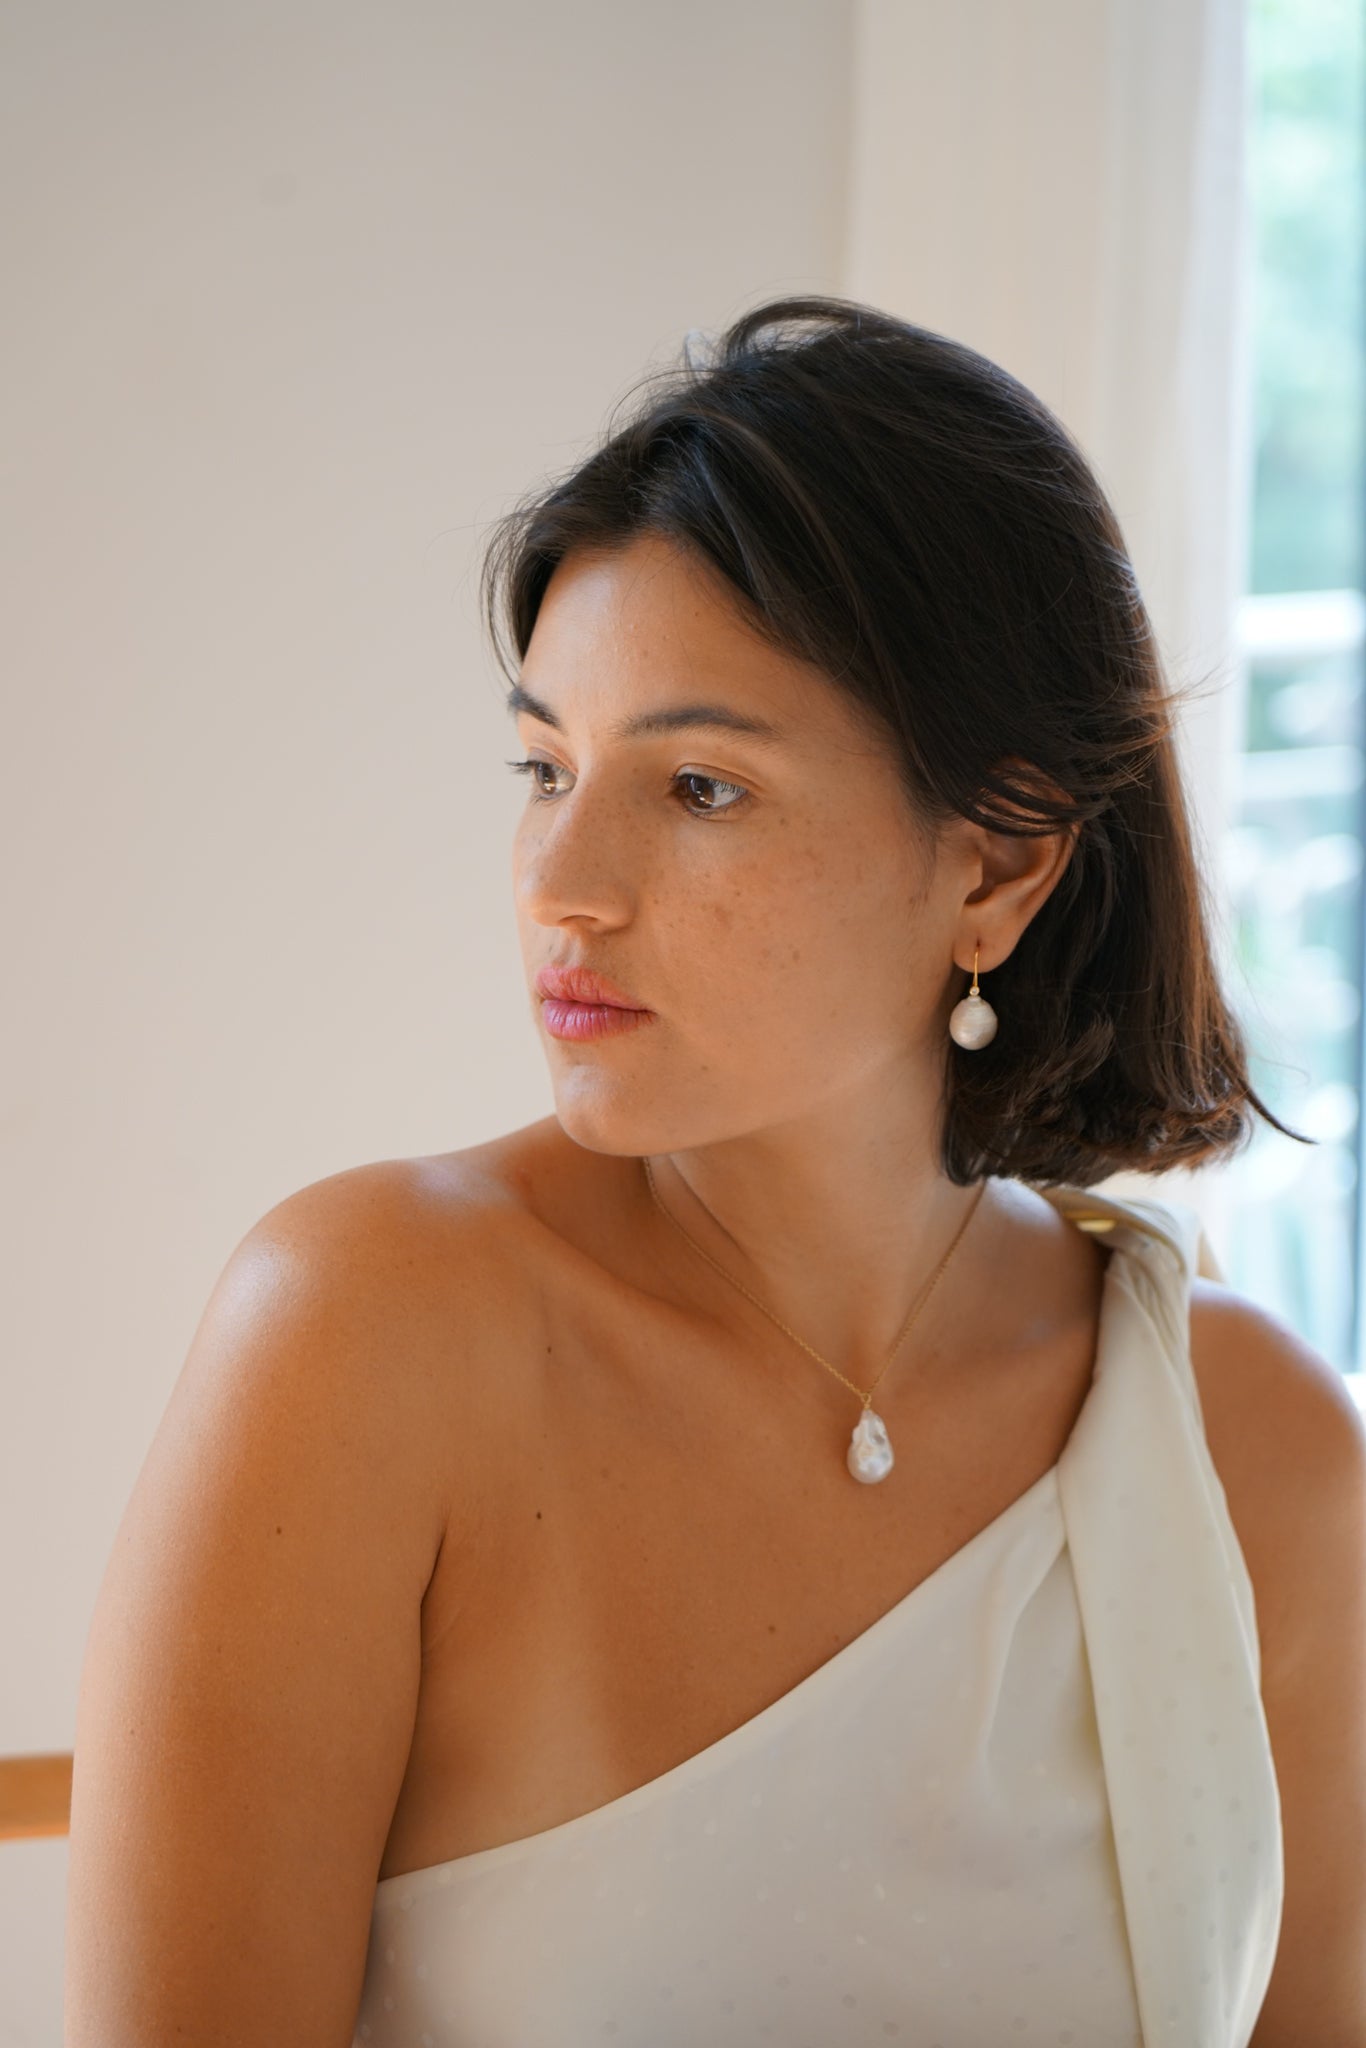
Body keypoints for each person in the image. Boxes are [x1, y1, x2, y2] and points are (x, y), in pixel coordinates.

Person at [65, 297, 1365, 2048]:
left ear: (998, 867)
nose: (562, 882)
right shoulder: (368, 1334)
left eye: (697, 787)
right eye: (543, 767)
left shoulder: (1250, 1452)